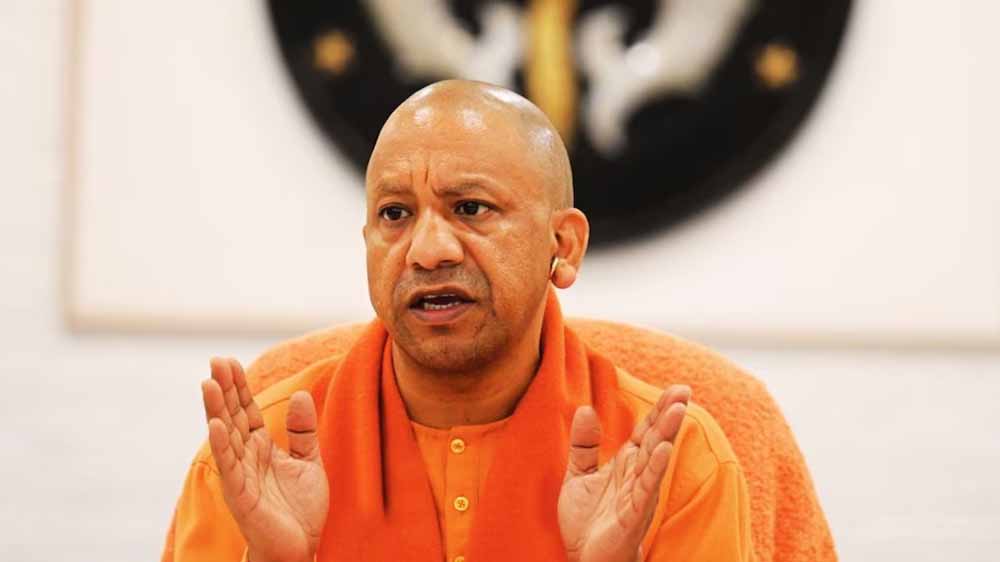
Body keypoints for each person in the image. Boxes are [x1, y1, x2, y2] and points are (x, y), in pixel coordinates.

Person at [161, 80, 756, 562]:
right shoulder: (255, 462)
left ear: (564, 245)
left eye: (470, 208)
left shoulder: (673, 462)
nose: (427, 251)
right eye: (395, 214)